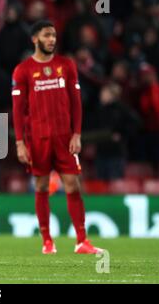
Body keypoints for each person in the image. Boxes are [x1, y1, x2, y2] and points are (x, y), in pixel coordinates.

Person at [11, 20, 104, 255]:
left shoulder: (67, 65)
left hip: (64, 138)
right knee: (41, 186)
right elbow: (18, 110)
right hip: (38, 139)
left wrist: (77, 134)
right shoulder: (22, 70)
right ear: (35, 39)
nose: (52, 39)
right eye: (46, 35)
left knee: (73, 185)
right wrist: (20, 143)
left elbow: (76, 102)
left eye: (53, 35)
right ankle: (47, 241)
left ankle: (82, 241)